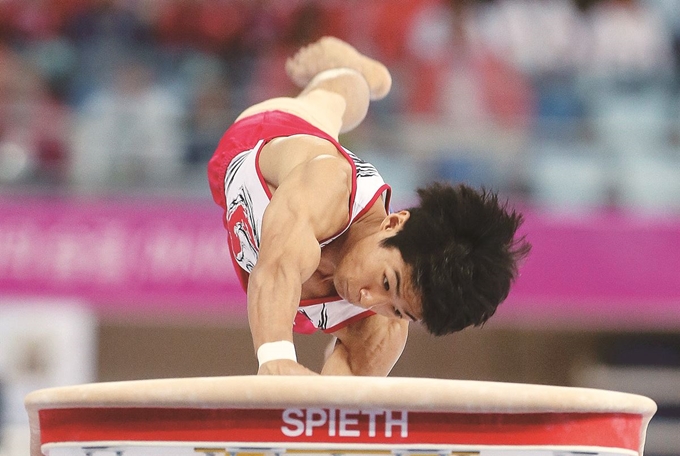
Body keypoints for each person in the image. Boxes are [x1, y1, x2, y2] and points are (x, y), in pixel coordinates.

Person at [208, 36, 530, 376]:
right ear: (393, 223)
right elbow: (276, 268)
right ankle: (354, 73)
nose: (368, 299)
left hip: (271, 221)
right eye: (387, 283)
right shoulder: (326, 186)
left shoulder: (384, 328)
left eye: (399, 310)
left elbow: (335, 409)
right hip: (264, 140)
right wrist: (276, 357)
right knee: (331, 103)